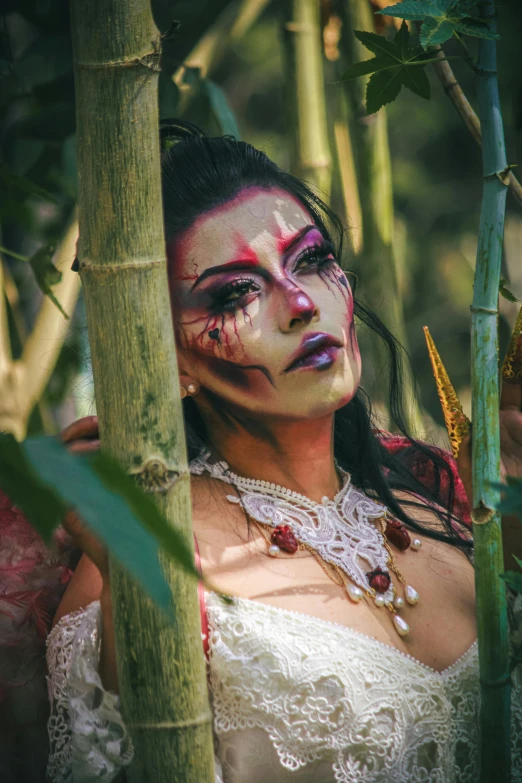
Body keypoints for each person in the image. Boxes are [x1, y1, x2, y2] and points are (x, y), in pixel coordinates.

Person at [45, 120, 522, 782]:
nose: (300, 303)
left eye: (312, 260)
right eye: (235, 293)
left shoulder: (433, 506)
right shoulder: (147, 553)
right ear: (170, 361)